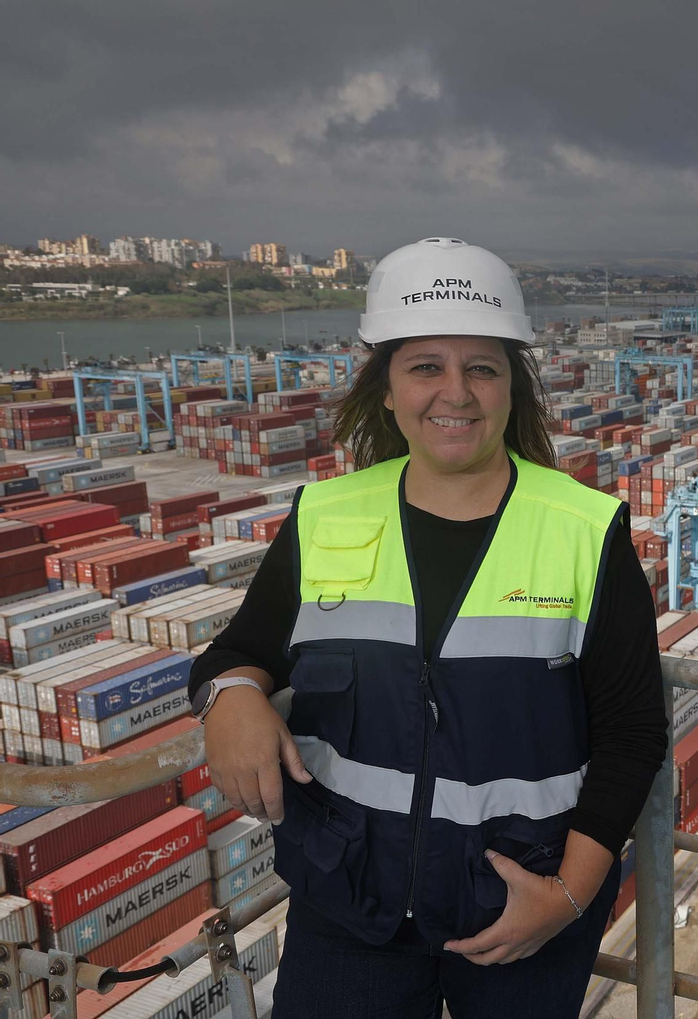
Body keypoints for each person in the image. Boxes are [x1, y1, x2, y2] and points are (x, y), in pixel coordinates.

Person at [186, 238, 669, 1019]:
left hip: (524, 910)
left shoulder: (587, 529)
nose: (457, 392)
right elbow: (238, 653)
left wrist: (569, 895)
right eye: (426, 366)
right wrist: (230, 697)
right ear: (386, 389)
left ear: (515, 386)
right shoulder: (325, 515)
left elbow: (632, 730)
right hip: (348, 908)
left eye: (482, 366)